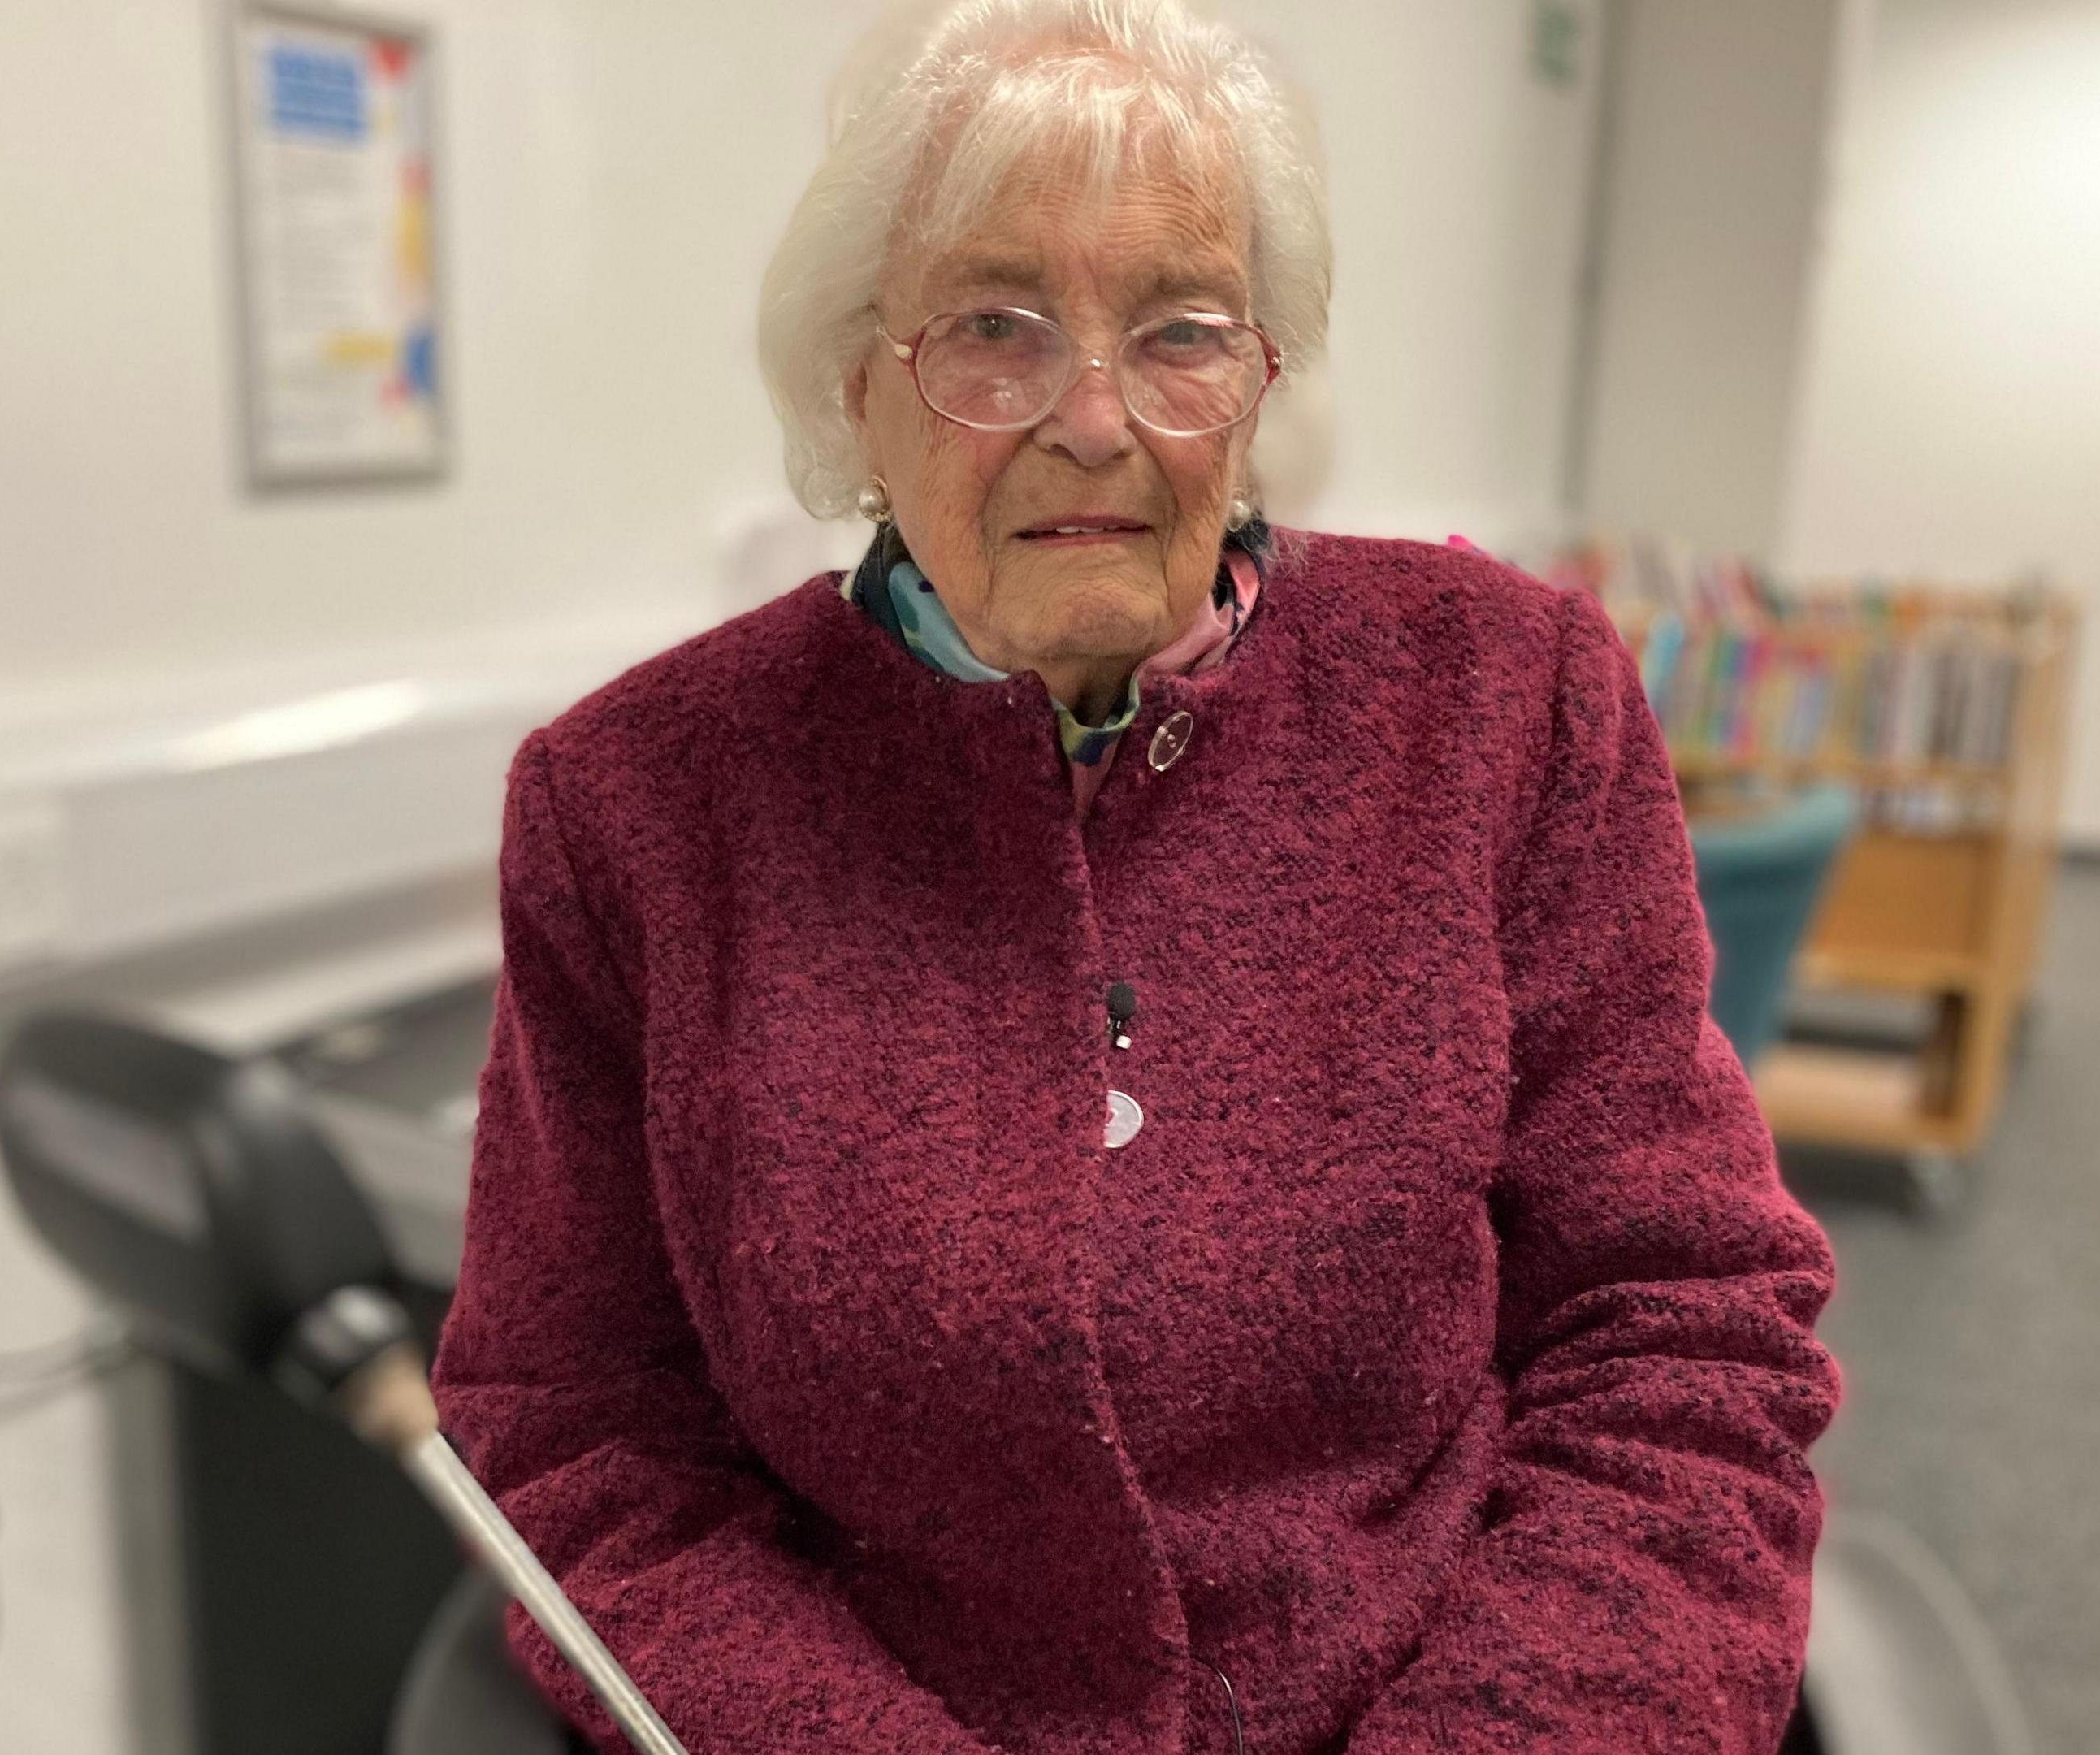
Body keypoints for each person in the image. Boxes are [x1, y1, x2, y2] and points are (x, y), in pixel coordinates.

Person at [430, 3, 1842, 1751]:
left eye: (1177, 332)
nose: (1093, 418)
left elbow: (1680, 1336)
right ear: (855, 382)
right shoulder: (634, 806)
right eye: (993, 331)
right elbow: (578, 1437)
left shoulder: (1502, 702)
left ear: (1258, 383)